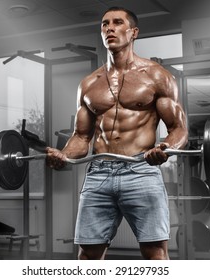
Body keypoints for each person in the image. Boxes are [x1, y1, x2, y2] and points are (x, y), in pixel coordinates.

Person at [45, 6, 188, 260]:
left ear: (133, 32)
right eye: (104, 24)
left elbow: (178, 129)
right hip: (99, 173)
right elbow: (81, 138)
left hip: (141, 170)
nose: (109, 28)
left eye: (117, 23)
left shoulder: (157, 76)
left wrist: (165, 149)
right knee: (88, 255)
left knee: (155, 253)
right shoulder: (89, 84)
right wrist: (64, 155)